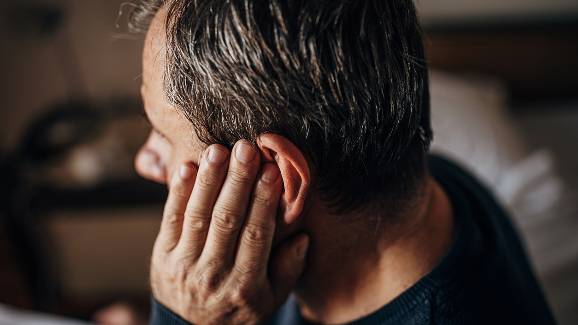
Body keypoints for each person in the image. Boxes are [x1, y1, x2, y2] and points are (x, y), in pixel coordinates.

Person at [129, 0, 557, 324]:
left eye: (164, 136)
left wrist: (181, 318)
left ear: (274, 176)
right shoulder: (433, 183)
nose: (145, 161)